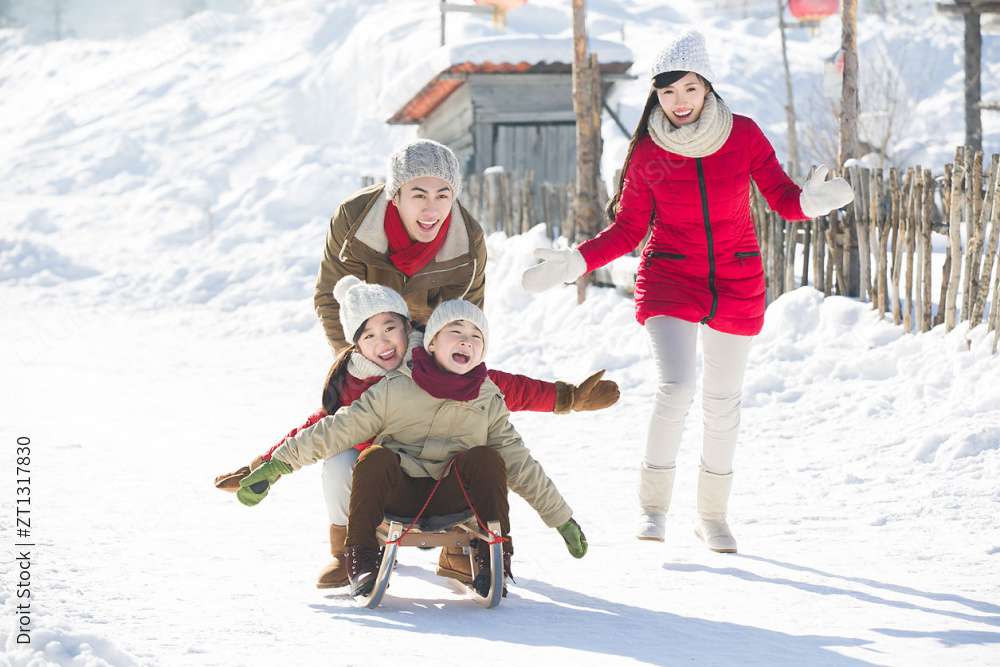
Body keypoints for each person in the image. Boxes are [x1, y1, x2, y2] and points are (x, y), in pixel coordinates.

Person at [521, 29, 853, 553]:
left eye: (690, 89)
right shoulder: (649, 152)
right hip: (671, 278)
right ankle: (652, 508)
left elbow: (783, 198)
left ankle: (712, 516)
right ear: (656, 94)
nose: (679, 101)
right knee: (676, 388)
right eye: (668, 91)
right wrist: (574, 262)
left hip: (736, 278)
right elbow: (629, 230)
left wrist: (811, 201)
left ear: (707, 87)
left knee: (723, 402)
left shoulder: (743, 135)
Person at [214, 276, 618, 588]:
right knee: (344, 459)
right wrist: (267, 466)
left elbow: (515, 409)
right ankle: (351, 552)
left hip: (449, 483)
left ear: (409, 329)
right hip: (388, 481)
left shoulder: (460, 367)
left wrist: (568, 398)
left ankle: (473, 553)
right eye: (369, 335)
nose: (383, 341)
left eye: (390, 328)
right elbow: (324, 429)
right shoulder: (358, 385)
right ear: (355, 346)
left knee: (484, 458)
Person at [314, 138, 486, 354]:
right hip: (372, 344)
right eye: (419, 196)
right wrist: (354, 365)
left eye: (442, 196)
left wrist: (437, 370)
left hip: (430, 347)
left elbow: (466, 322)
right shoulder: (355, 222)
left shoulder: (467, 242)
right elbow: (334, 300)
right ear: (395, 197)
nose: (431, 211)